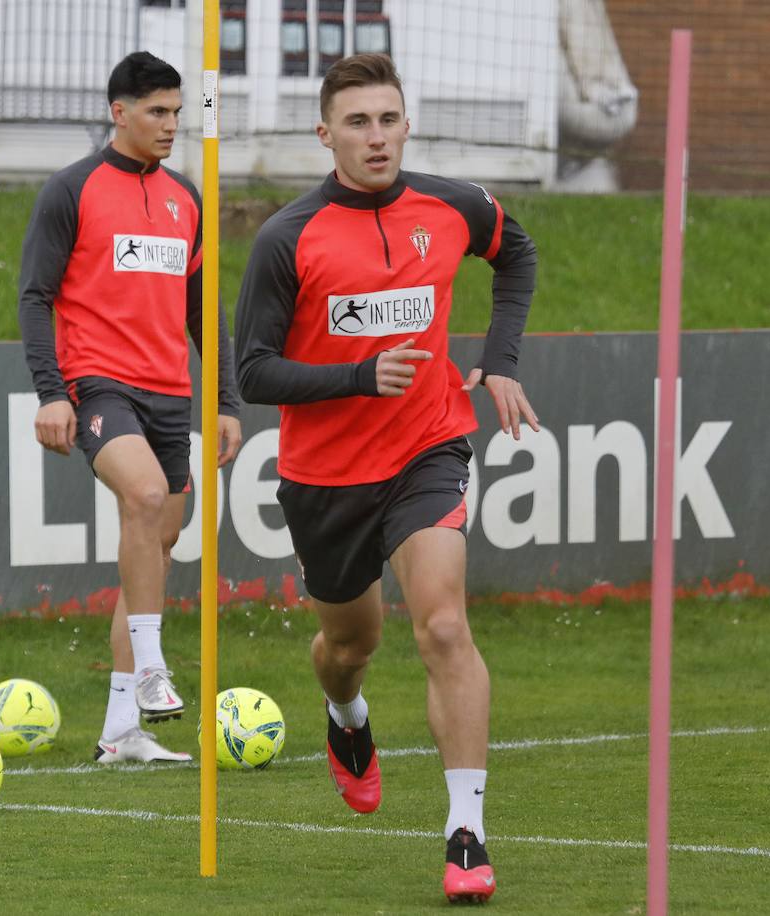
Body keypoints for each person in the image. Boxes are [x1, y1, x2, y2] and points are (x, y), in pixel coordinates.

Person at [234, 53, 538, 904]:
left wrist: (499, 359)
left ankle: (467, 835)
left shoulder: (452, 206)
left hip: (427, 448)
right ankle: (346, 718)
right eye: (358, 122)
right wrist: (360, 376)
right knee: (348, 646)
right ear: (324, 133)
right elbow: (253, 373)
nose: (377, 137)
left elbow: (515, 255)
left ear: (409, 124)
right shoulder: (285, 238)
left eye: (390, 119)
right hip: (325, 477)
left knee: (443, 627)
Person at [19, 51, 242, 765]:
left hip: (172, 393)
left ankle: (121, 731)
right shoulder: (71, 190)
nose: (172, 125)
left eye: (179, 112)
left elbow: (204, 312)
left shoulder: (187, 200)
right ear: (120, 112)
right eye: (157, 112)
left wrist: (227, 402)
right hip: (98, 383)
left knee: (158, 543)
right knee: (145, 496)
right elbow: (34, 296)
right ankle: (151, 669)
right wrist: (52, 389)